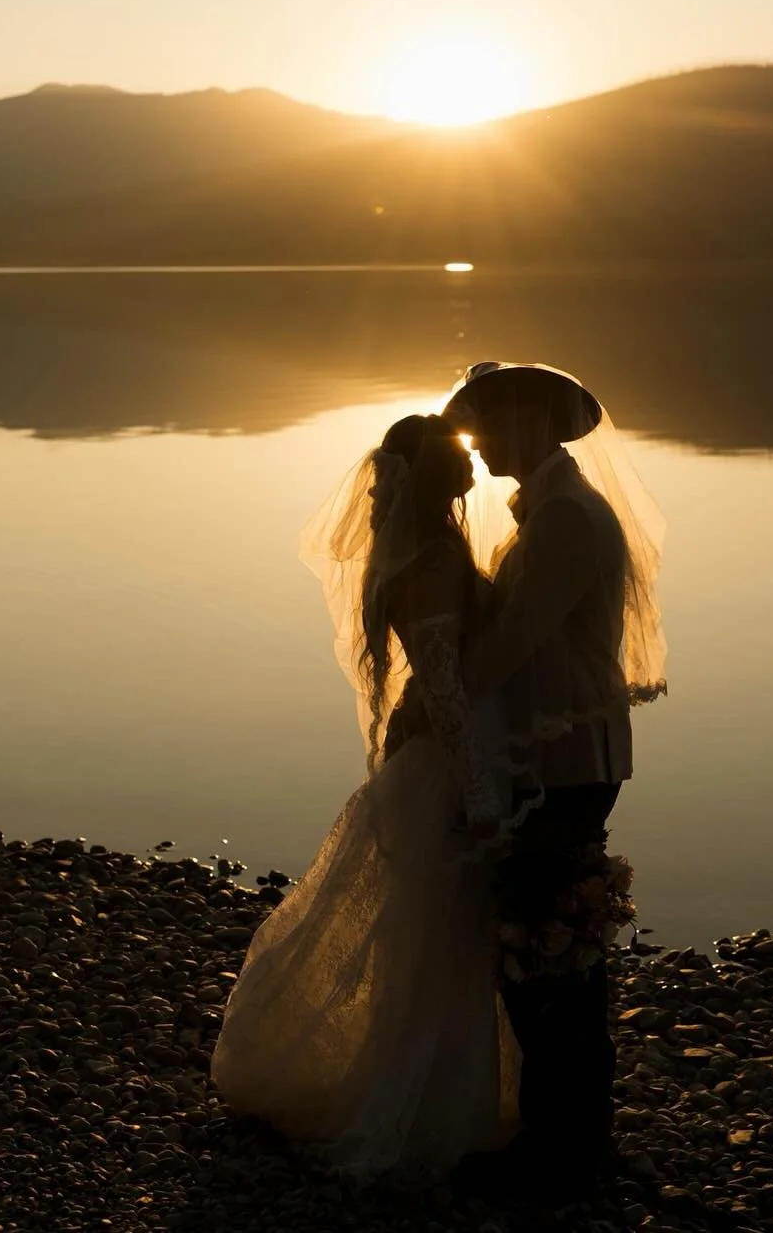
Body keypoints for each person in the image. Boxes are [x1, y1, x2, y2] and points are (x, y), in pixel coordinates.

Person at [210, 412, 519, 1175]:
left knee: (421, 935)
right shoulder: (435, 564)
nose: (476, 465)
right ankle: (420, 1110)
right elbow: (444, 690)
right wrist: (480, 795)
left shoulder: (417, 554)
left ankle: (437, 1096)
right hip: (447, 768)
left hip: (432, 760)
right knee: (438, 939)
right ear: (439, 477)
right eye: (463, 457)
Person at [442, 360, 667, 1196]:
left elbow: (514, 645)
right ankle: (565, 1132)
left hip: (567, 756)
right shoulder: (549, 509)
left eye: (489, 430)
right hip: (553, 751)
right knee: (542, 935)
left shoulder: (568, 519)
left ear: (531, 424)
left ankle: (565, 1142)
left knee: (549, 942)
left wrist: (437, 701)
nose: (482, 447)